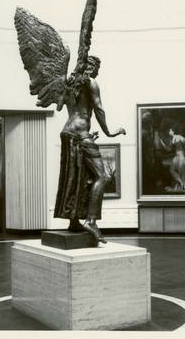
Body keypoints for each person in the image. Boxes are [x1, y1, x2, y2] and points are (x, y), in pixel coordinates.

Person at [54, 56, 126, 243]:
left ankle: (73, 221)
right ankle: (91, 221)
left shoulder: (69, 84)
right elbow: (98, 108)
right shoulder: (90, 82)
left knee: (76, 177)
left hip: (69, 132)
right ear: (89, 66)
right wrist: (109, 132)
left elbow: (65, 106)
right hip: (79, 134)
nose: (97, 72)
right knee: (103, 176)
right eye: (96, 67)